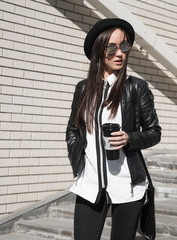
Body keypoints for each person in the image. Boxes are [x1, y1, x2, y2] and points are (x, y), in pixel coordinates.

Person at [66, 18, 161, 240]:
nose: (120, 53)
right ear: (99, 50)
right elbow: (72, 130)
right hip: (90, 185)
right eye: (112, 47)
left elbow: (154, 131)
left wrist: (130, 138)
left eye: (124, 47)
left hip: (127, 186)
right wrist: (79, 161)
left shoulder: (136, 87)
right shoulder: (83, 89)